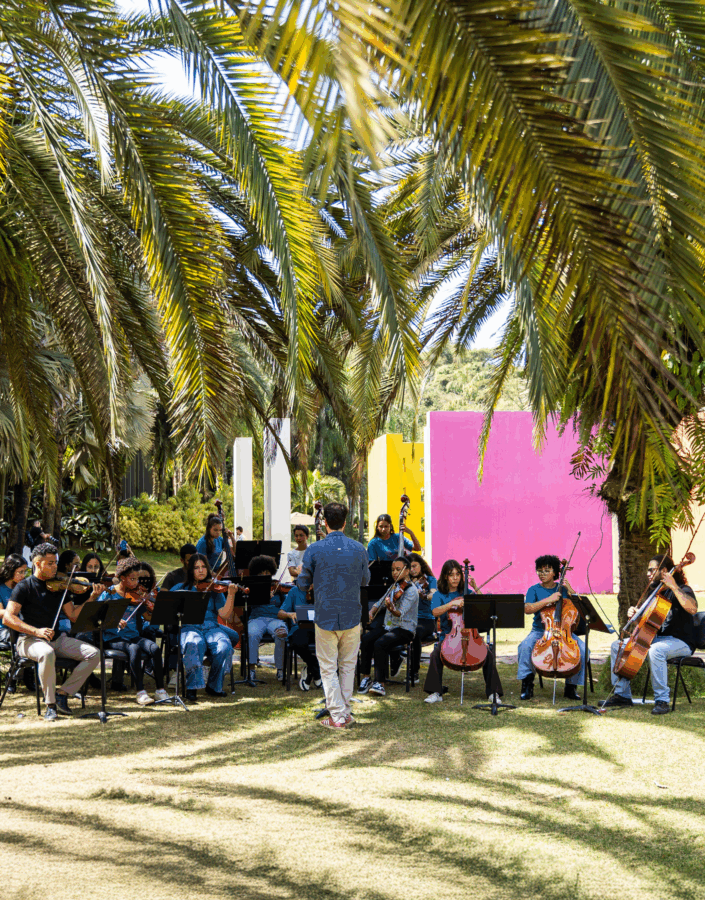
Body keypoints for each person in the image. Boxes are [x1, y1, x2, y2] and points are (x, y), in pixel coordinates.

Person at [2, 543, 101, 720]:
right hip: (28, 640)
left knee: (93, 654)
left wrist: (92, 598)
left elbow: (73, 616)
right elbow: (8, 618)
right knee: (46, 652)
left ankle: (63, 693)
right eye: (50, 563)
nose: (55, 566)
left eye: (55, 562)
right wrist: (36, 631)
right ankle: (51, 705)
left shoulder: (59, 587)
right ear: (38, 564)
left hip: (55, 639)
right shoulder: (24, 587)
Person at [297, 501, 370, 728]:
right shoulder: (359, 549)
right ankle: (344, 712)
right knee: (348, 665)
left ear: (325, 522)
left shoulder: (314, 549)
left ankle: (338, 715)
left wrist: (307, 581)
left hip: (325, 615)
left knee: (328, 667)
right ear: (345, 522)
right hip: (351, 614)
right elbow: (365, 581)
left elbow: (302, 583)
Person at [602, 555, 698, 715]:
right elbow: (647, 625)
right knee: (617, 646)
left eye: (651, 570)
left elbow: (693, 609)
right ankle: (622, 695)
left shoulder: (683, 589)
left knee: (656, 650)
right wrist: (635, 617)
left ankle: (662, 700)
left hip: (682, 642)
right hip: (657, 639)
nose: (648, 573)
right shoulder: (655, 593)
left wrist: (674, 587)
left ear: (665, 571)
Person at [423, 559, 504, 704]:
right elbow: (435, 612)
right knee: (435, 654)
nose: (455, 578)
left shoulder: (467, 593)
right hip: (450, 636)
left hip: (471, 635)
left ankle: (493, 693)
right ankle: (435, 692)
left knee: (488, 655)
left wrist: (475, 587)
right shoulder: (439, 595)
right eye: (451, 574)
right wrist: (451, 604)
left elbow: (485, 608)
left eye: (458, 574)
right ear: (445, 577)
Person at [516, 555, 587, 701]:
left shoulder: (563, 588)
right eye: (539, 571)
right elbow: (527, 608)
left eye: (547, 570)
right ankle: (527, 685)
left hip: (564, 631)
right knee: (525, 646)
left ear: (555, 573)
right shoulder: (534, 589)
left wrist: (571, 590)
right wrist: (549, 600)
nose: (542, 574)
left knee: (584, 649)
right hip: (541, 631)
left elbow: (581, 607)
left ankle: (571, 687)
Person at [99, 557, 169, 705]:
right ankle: (140, 692)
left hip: (132, 636)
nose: (137, 583)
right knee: (134, 649)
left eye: (138, 579)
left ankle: (160, 691)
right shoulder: (109, 594)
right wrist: (115, 621)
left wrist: (155, 607)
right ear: (122, 578)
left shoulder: (136, 596)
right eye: (133, 579)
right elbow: (97, 617)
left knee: (155, 649)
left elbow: (148, 617)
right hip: (113, 638)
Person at [172, 553, 238, 701]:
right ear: (190, 570)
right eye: (196, 567)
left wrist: (231, 595)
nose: (201, 570)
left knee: (224, 646)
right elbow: (169, 610)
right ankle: (192, 687)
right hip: (189, 627)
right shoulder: (180, 588)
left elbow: (225, 615)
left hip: (211, 628)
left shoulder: (214, 589)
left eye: (203, 567)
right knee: (194, 642)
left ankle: (214, 686)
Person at [358, 556, 419, 696]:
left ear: (407, 571)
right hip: (389, 626)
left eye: (398, 569)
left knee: (380, 643)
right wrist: (372, 611)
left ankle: (380, 683)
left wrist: (391, 608)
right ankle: (366, 677)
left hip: (405, 629)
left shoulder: (411, 591)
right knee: (367, 639)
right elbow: (379, 602)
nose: (395, 573)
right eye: (393, 570)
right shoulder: (394, 586)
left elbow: (400, 612)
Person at [245, 555, 287, 686]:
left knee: (281, 632)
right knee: (252, 633)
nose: (264, 575)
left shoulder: (277, 587)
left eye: (267, 572)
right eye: (261, 572)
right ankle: (251, 669)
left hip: (275, 619)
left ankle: (280, 669)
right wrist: (260, 594)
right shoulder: (251, 587)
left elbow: (285, 605)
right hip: (256, 619)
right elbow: (246, 603)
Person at [0, 554, 34, 694]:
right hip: (3, 629)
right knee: (21, 638)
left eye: (25, 571)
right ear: (10, 570)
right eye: (20, 571)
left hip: (20, 627)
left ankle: (24, 674)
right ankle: (15, 677)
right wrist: (13, 613)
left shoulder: (23, 587)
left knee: (32, 637)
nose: (23, 575)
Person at [277, 583, 321, 690]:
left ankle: (311, 670)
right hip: (300, 628)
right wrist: (289, 614)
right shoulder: (295, 591)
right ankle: (316, 670)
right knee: (297, 642)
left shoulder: (323, 589)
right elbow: (280, 613)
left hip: (320, 628)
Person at [408, 552, 437, 678]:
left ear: (421, 566)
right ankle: (395, 661)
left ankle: (414, 671)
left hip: (426, 620)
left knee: (415, 633)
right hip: (408, 618)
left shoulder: (430, 580)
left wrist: (424, 596)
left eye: (415, 566)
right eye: (409, 567)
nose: (412, 570)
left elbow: (433, 595)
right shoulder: (406, 580)